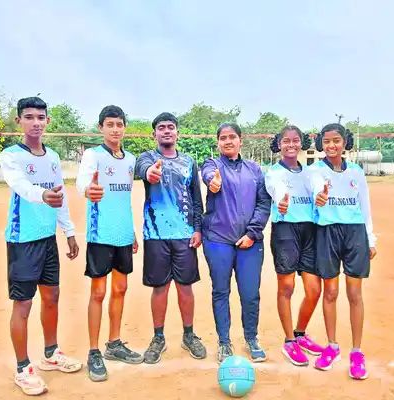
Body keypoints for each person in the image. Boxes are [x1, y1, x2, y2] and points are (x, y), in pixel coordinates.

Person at [0, 97, 81, 396]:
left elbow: (60, 196)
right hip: (23, 240)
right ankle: (23, 368)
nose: (36, 122)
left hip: (47, 239)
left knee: (52, 297)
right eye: (29, 117)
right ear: (19, 121)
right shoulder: (11, 155)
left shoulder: (53, 157)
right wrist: (42, 195)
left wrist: (68, 231)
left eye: (41, 117)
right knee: (23, 304)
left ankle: (51, 353)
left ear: (47, 121)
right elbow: (19, 184)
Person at [76, 105, 143, 382]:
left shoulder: (130, 160)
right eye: (110, 124)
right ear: (101, 127)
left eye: (119, 124)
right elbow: (82, 183)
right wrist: (88, 190)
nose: (115, 129)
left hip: (123, 234)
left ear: (125, 127)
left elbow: (124, 200)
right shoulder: (93, 155)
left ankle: (114, 343)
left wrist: (132, 232)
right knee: (98, 292)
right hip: (100, 234)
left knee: (121, 289)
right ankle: (93, 351)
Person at [135, 112, 206, 364]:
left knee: (185, 287)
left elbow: (196, 198)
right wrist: (150, 173)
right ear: (154, 133)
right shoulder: (147, 158)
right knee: (160, 287)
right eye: (161, 127)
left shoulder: (189, 161)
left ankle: (189, 335)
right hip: (156, 234)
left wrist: (197, 228)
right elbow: (143, 170)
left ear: (177, 132)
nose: (166, 131)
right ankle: (158, 337)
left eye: (171, 127)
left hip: (185, 235)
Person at [309, 123, 377, 380]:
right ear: (321, 144)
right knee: (331, 292)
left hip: (354, 232)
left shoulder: (357, 172)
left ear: (345, 142)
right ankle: (332, 346)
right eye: (327, 141)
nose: (332, 145)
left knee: (354, 293)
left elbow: (365, 206)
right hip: (327, 232)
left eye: (336, 140)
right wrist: (320, 196)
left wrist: (370, 239)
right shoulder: (315, 170)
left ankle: (357, 352)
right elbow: (317, 190)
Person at [201, 123, 270, 363]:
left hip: (249, 243)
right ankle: (224, 342)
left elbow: (263, 203)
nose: (228, 141)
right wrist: (212, 181)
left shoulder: (254, 170)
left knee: (250, 294)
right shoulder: (212, 164)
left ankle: (251, 338)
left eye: (232, 137)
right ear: (218, 142)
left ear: (241, 140)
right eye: (223, 138)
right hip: (218, 240)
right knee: (221, 291)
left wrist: (252, 233)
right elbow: (208, 176)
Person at [265, 126, 325, 367]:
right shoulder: (273, 172)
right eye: (286, 141)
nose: (291, 145)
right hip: (285, 230)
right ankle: (289, 340)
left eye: (295, 140)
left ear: (301, 143)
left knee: (314, 289)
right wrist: (282, 201)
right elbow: (277, 189)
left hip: (309, 231)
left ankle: (300, 333)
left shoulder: (311, 173)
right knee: (287, 286)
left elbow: (319, 191)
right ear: (279, 144)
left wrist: (321, 196)